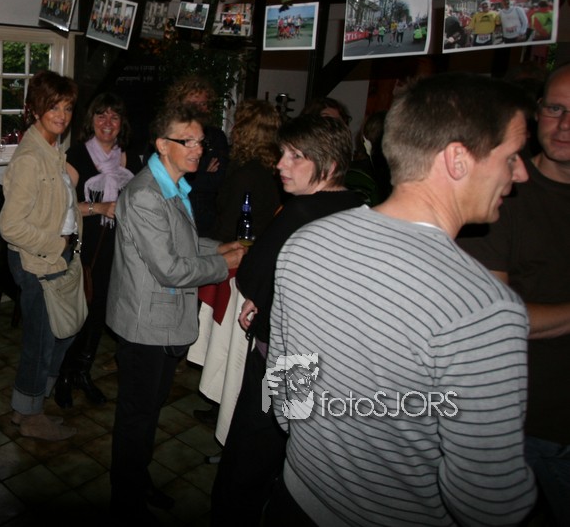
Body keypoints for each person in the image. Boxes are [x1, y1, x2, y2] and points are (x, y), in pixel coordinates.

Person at [264, 72, 537, 526]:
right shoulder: (483, 307)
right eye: (510, 156)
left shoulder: (307, 241)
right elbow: (486, 501)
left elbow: (288, 397)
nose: (521, 172)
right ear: (457, 160)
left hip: (295, 499)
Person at [211, 114, 362, 526]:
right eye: (283, 153)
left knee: (248, 459)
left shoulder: (301, 212)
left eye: (296, 156)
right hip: (335, 361)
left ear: (328, 166)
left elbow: (252, 274)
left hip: (284, 357)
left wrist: (259, 296)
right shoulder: (360, 206)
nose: (280, 164)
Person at [107, 102, 244, 524]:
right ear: (163, 145)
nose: (199, 149)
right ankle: (126, 500)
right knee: (137, 417)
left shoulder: (172, 185)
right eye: (189, 141)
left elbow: (178, 243)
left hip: (159, 322)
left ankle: (137, 480)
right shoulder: (146, 194)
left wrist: (217, 247)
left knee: (148, 412)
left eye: (201, 141)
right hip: (145, 325)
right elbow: (169, 267)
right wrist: (224, 263)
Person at [458, 63, 570, 524]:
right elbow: (496, 317)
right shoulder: (503, 197)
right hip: (527, 421)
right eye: (555, 109)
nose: (564, 125)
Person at [0, 69, 81, 441]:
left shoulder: (53, 149)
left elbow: (58, 206)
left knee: (61, 333)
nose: (62, 115)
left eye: (67, 107)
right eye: (53, 107)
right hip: (37, 260)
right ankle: (30, 415)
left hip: (53, 258)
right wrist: (57, 245)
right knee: (42, 340)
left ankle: (28, 405)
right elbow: (10, 226)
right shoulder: (31, 158)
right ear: (34, 110)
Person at [53, 92, 139, 409]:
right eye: (101, 115)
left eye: (114, 116)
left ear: (122, 123)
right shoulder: (76, 156)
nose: (107, 122)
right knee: (79, 313)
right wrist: (100, 207)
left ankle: (82, 372)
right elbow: (62, 208)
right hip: (85, 248)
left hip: (118, 248)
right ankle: (63, 375)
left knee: (100, 313)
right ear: (91, 120)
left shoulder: (129, 158)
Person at [163, 74, 231, 237]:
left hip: (205, 221)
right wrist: (202, 174)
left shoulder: (216, 137)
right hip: (172, 216)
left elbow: (217, 181)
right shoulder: (167, 134)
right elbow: (164, 180)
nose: (199, 109)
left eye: (203, 104)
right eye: (194, 104)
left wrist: (188, 175)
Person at [212, 99, 282, 243]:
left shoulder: (247, 175)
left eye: (237, 124)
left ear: (244, 131)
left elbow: (230, 227)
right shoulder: (267, 167)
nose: (232, 129)